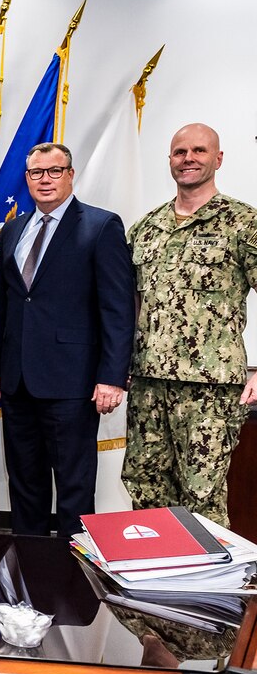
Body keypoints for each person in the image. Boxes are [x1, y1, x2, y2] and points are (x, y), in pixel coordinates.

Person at [0, 142, 134, 536]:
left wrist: (113, 376)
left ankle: (74, 585)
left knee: (73, 488)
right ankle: (29, 578)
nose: (44, 180)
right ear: (27, 178)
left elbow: (117, 309)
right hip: (16, 380)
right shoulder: (13, 229)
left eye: (54, 171)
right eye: (36, 173)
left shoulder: (101, 226)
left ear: (70, 174)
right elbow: (3, 302)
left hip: (73, 382)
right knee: (25, 485)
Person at [123, 123, 257, 526]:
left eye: (199, 151)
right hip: (147, 382)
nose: (189, 159)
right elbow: (127, 303)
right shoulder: (146, 229)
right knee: (145, 487)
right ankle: (151, 583)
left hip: (210, 387)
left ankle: (209, 588)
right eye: (180, 152)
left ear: (218, 159)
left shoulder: (243, 223)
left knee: (202, 495)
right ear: (170, 161)